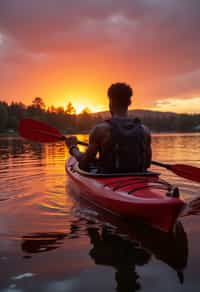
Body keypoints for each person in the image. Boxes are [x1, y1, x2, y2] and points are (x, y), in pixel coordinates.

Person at [65, 82, 152, 173]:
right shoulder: (144, 130)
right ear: (129, 102)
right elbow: (147, 164)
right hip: (138, 178)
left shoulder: (100, 130)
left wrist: (73, 148)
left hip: (108, 177)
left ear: (110, 102)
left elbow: (84, 164)